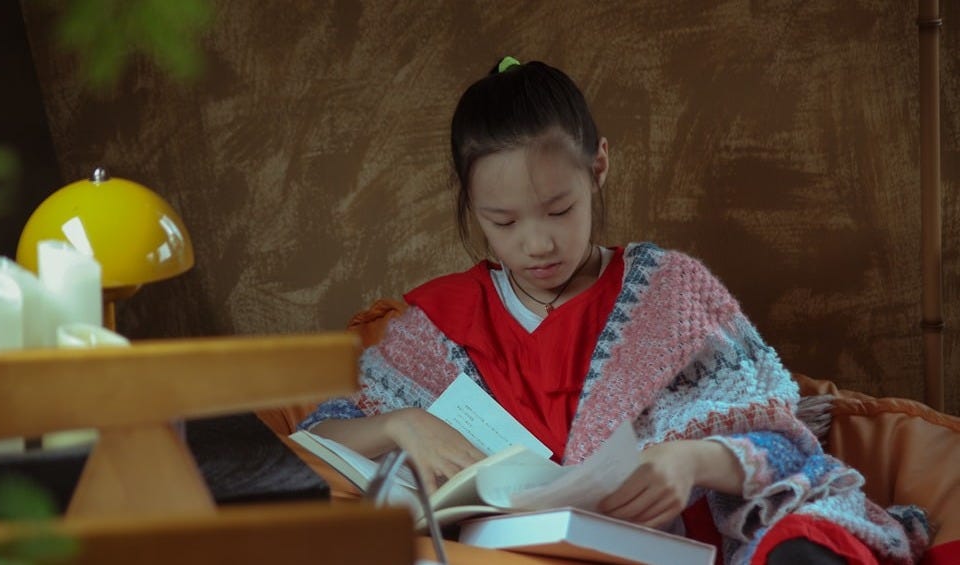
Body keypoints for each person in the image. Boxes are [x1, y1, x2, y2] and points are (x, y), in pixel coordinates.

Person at [299, 57, 928, 564]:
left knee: (810, 540)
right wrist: (401, 423)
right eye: (504, 222)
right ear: (469, 202)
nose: (537, 243)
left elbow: (784, 441)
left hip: (682, 542)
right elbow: (318, 435)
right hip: (510, 553)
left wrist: (688, 459)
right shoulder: (439, 324)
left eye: (559, 209)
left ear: (599, 166)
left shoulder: (671, 292)